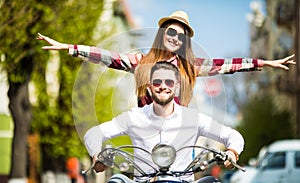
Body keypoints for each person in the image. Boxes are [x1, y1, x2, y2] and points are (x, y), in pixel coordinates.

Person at [37, 10, 295, 107]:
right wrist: (69, 48)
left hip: (177, 135)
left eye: (180, 35)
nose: (175, 38)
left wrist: (265, 63)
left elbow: (228, 66)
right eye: (170, 32)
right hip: (145, 134)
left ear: (185, 42)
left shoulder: (191, 67)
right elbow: (107, 56)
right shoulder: (142, 61)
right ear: (162, 34)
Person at [84, 61, 245, 183]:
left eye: (169, 82)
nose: (163, 86)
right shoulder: (134, 117)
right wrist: (97, 155)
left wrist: (232, 152)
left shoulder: (193, 118)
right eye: (157, 82)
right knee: (115, 181)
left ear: (177, 86)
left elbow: (233, 135)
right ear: (149, 87)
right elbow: (93, 133)